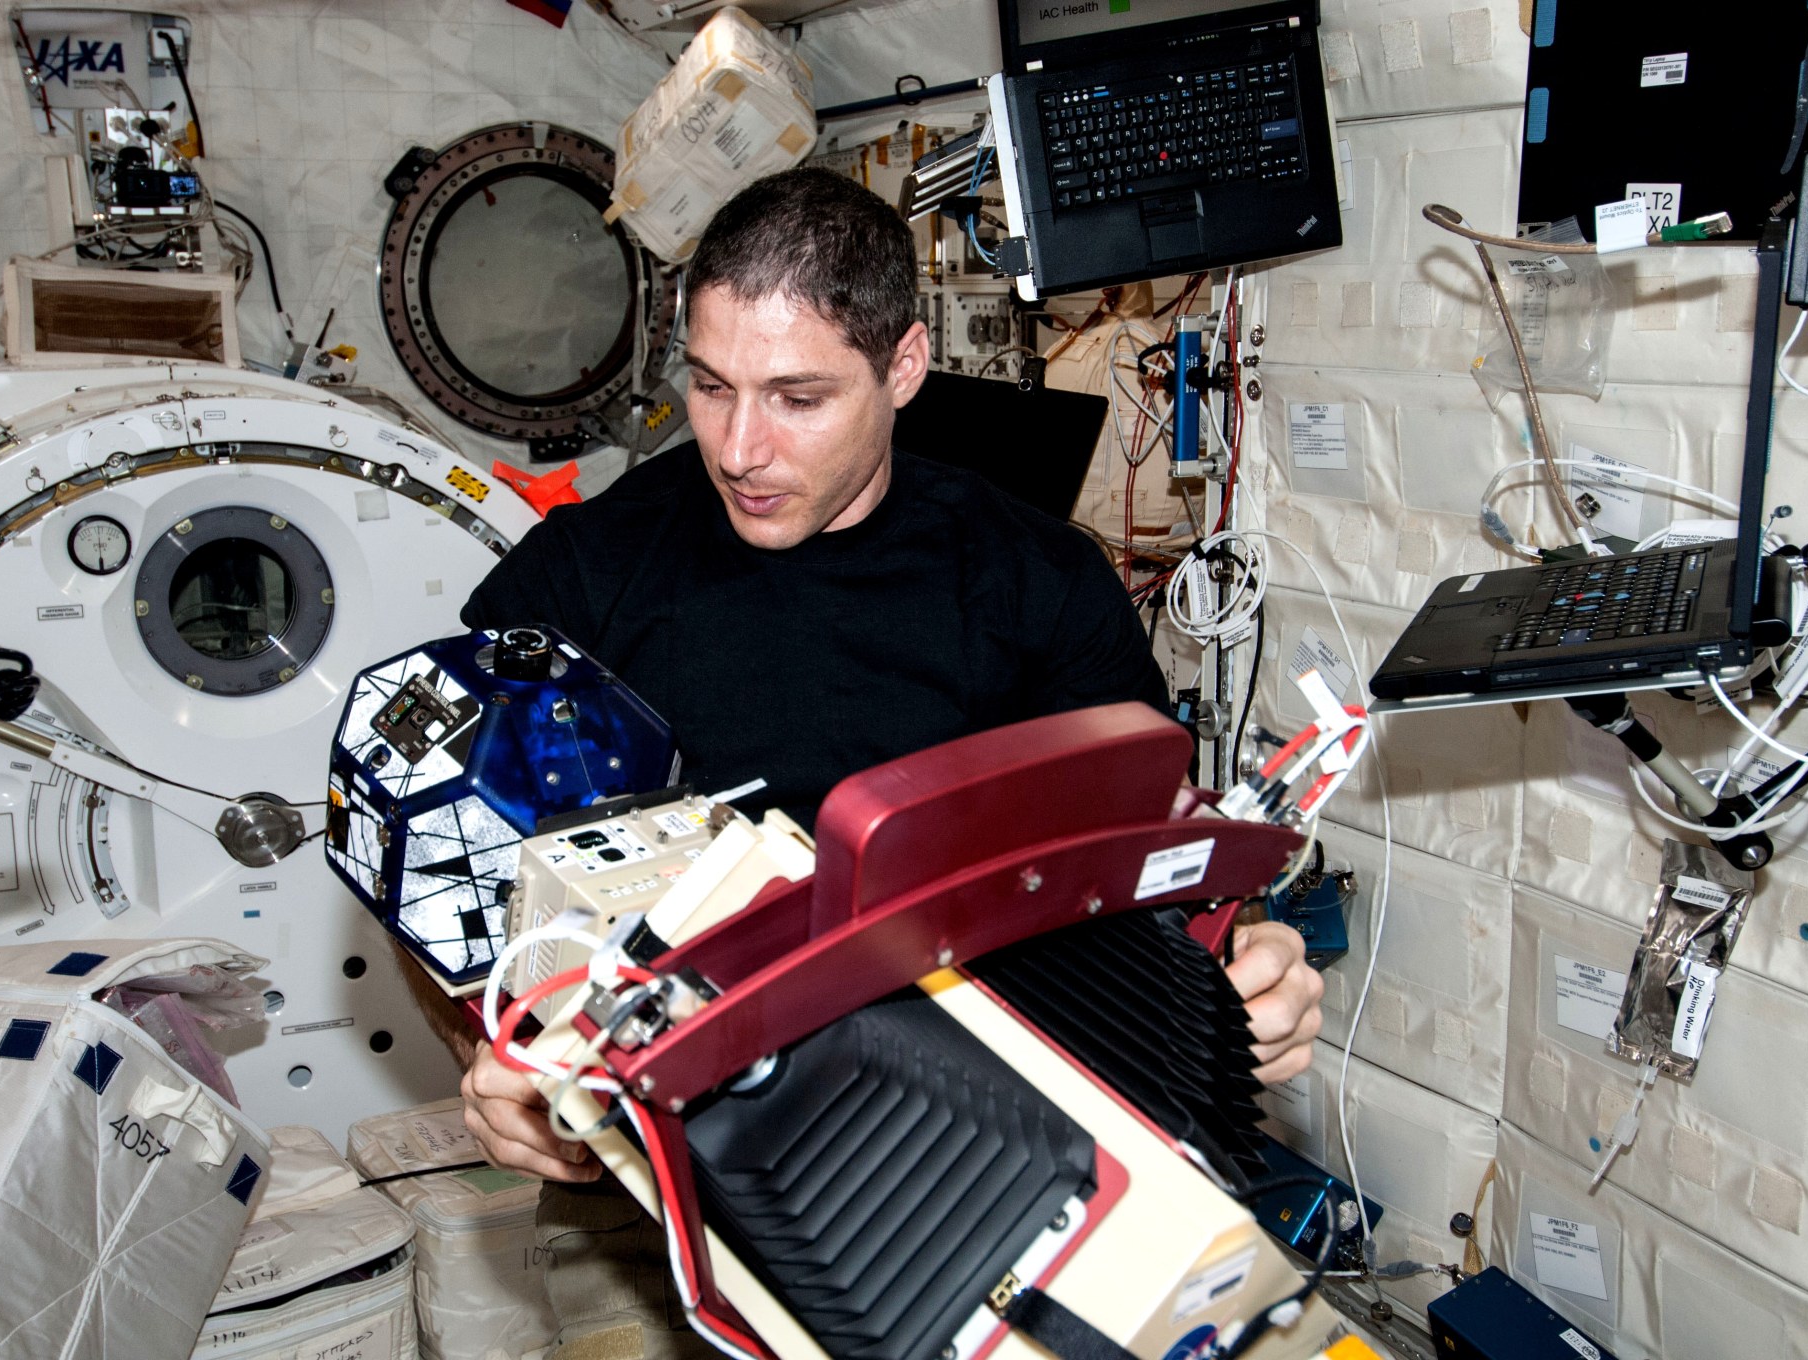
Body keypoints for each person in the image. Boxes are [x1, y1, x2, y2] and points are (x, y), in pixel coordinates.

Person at [420, 167, 1323, 1356]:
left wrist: (1245, 961)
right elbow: (428, 861)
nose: (739, 446)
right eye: (708, 386)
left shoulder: (1031, 582)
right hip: (659, 1192)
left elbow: (1156, 869)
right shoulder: (580, 579)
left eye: (796, 397)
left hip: (996, 1161)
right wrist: (494, 1057)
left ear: (901, 369)